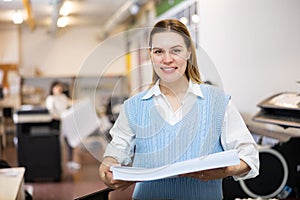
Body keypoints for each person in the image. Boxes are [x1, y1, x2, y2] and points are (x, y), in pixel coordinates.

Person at [99, 19, 259, 199]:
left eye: (176, 50)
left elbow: (249, 156)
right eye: (159, 51)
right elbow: (116, 152)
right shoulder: (134, 107)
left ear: (189, 52)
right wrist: (108, 166)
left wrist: (227, 170)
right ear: (151, 55)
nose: (167, 59)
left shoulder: (217, 102)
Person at [45, 81, 80, 170]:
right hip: (56, 123)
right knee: (56, 143)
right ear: (53, 88)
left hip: (66, 122)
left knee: (69, 141)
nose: (59, 89)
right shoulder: (50, 98)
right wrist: (59, 116)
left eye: (60, 87)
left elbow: (69, 103)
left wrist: (80, 102)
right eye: (57, 87)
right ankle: (56, 162)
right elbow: (51, 112)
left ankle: (70, 161)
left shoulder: (63, 97)